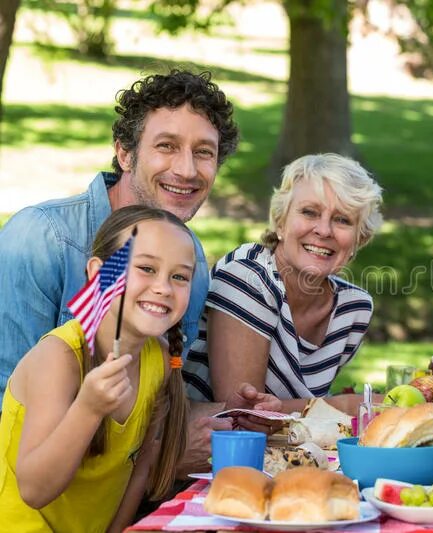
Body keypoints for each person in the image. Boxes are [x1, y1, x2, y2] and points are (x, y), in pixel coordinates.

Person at [0, 69, 277, 477]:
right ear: (125, 154)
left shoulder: (191, 262)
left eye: (204, 152)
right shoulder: (43, 239)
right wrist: (151, 460)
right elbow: (9, 410)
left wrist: (233, 414)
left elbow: (155, 398)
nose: (186, 170)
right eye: (167, 146)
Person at [0, 206, 194, 531]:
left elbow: (140, 469)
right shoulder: (59, 358)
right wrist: (88, 409)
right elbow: (34, 490)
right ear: (99, 273)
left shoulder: (159, 359)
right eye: (146, 268)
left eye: (179, 276)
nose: (163, 287)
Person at [182, 153, 383, 415]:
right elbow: (242, 414)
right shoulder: (247, 278)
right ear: (280, 221)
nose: (324, 230)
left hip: (287, 452)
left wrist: (319, 411)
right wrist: (345, 406)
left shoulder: (353, 308)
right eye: (309, 212)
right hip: (208, 449)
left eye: (342, 220)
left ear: (360, 238)